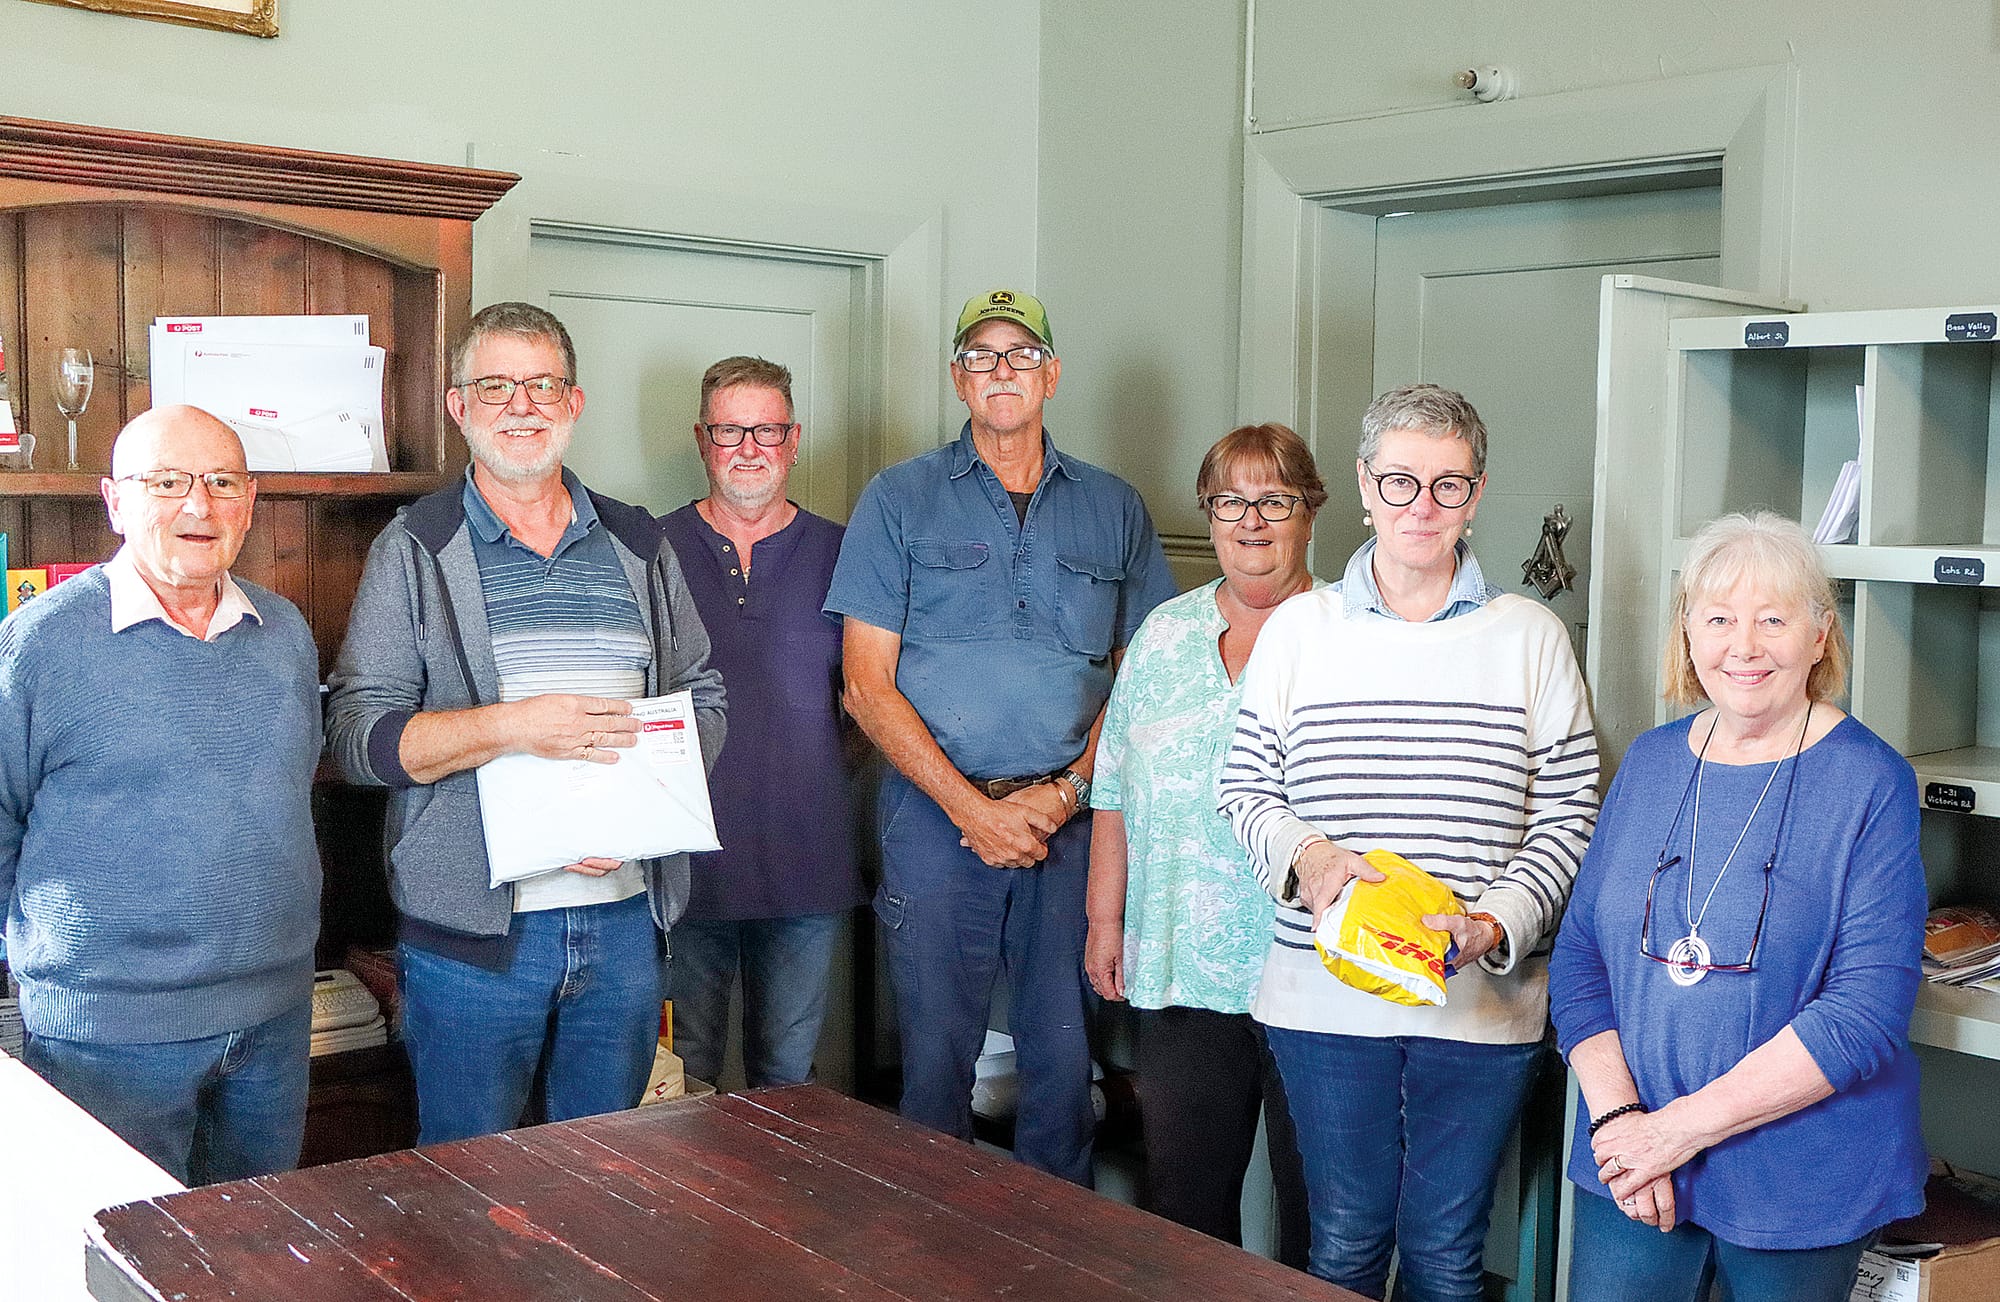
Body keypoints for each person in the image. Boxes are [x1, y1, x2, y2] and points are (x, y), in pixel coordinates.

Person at [1218, 383, 1600, 1301]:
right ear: (1362, 486)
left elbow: (1573, 809)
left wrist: (1494, 923)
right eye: (1399, 483)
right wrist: (1307, 858)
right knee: (1344, 1247)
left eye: (1447, 485)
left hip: (1479, 1006)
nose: (1421, 507)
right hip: (1322, 1000)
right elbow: (1244, 786)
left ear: (1476, 494)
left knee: (1443, 1256)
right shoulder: (1300, 631)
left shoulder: (1532, 638)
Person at [325, 302, 725, 1145]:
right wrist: (511, 727)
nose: (523, 405)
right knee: (469, 1188)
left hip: (623, 924)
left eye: (543, 384)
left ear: (574, 404)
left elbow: (703, 695)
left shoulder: (637, 541)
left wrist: (638, 817)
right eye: (497, 385)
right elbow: (360, 737)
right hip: (474, 941)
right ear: (459, 407)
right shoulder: (415, 548)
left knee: (610, 1180)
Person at [827, 288, 1177, 1185]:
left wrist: (1063, 795)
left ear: (1052, 374)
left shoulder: (1115, 507)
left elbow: (1144, 687)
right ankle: (933, 1259)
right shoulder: (898, 499)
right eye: (981, 357)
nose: (1001, 371)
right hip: (936, 821)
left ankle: (1055, 1265)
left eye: (1021, 355)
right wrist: (970, 811)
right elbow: (866, 688)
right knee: (935, 1066)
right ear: (958, 379)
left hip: (1072, 824)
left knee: (1063, 1071)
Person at [1549, 512, 1925, 1301]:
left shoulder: (1870, 782)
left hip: (1798, 1182)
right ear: (1688, 634)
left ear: (1820, 635)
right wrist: (1622, 1124)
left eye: (1773, 620)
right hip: (1629, 1168)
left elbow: (1864, 1012)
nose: (1743, 647)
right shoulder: (1650, 762)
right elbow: (1581, 957)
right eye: (1718, 619)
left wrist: (1673, 1132)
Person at [0, 405, 320, 1185]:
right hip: (105, 1037)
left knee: (259, 1257)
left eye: (220, 482)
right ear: (114, 500)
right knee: (124, 1269)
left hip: (274, 1023)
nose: (197, 505)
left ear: (250, 501)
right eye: (166, 482)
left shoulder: (284, 633)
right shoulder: (39, 644)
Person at [1085, 423, 1316, 1264]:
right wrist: (1105, 923)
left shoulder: (1342, 635)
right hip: (1180, 960)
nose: (1250, 521)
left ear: (1309, 512)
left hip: (1313, 969)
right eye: (1230, 501)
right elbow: (1111, 788)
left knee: (1320, 1210)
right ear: (1209, 514)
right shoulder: (1163, 634)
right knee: (1184, 1203)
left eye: (1273, 500)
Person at [658, 356, 864, 1088]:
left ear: (794, 438)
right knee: (687, 1083)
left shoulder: (847, 554)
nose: (749, 448)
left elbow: (871, 706)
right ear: (701, 438)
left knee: (789, 1083)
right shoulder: (651, 550)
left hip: (807, 861)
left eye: (766, 430)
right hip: (686, 867)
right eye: (729, 430)